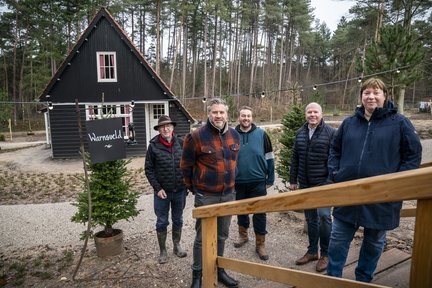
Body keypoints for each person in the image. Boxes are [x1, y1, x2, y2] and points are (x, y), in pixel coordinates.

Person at [326, 77, 422, 282]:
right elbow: (334, 150)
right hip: (348, 194)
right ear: (361, 97)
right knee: (337, 242)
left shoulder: (400, 123)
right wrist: (335, 173)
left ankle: (363, 280)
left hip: (382, 197)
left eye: (375, 93)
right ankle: (332, 280)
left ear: (385, 96)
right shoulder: (349, 123)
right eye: (366, 93)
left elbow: (413, 155)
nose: (371, 97)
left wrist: (397, 182)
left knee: (374, 243)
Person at [181, 98, 240, 288]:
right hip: (206, 196)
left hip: (228, 194)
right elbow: (185, 166)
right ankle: (197, 275)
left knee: (222, 235)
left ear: (227, 114)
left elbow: (234, 163)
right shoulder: (196, 137)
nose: (218, 116)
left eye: (222, 112)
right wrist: (194, 189)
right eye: (215, 112)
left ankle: (219, 270)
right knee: (202, 237)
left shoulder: (234, 135)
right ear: (209, 114)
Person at [289, 102, 335, 272]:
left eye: (315, 112)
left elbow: (334, 159)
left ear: (321, 114)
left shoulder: (331, 133)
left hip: (323, 184)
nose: (312, 115)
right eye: (309, 112)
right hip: (305, 184)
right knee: (310, 219)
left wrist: (330, 181)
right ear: (305, 114)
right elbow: (295, 158)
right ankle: (312, 251)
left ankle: (325, 254)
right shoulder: (300, 133)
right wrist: (293, 179)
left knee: (324, 217)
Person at [233, 106, 275, 261]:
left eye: (248, 116)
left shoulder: (261, 134)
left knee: (259, 213)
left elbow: (270, 157)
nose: (246, 118)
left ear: (252, 118)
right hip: (238, 181)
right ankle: (243, 236)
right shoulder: (232, 134)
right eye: (243, 115)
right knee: (241, 210)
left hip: (258, 181)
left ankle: (260, 244)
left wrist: (270, 178)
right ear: (239, 117)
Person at [145, 115, 187, 264]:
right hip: (162, 193)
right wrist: (157, 188)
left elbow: (189, 164)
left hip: (180, 191)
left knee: (178, 219)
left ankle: (177, 245)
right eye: (162, 126)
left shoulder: (182, 143)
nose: (166, 128)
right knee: (162, 222)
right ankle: (163, 250)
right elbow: (148, 170)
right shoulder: (153, 146)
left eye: (168, 126)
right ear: (159, 129)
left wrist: (187, 184)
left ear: (173, 127)